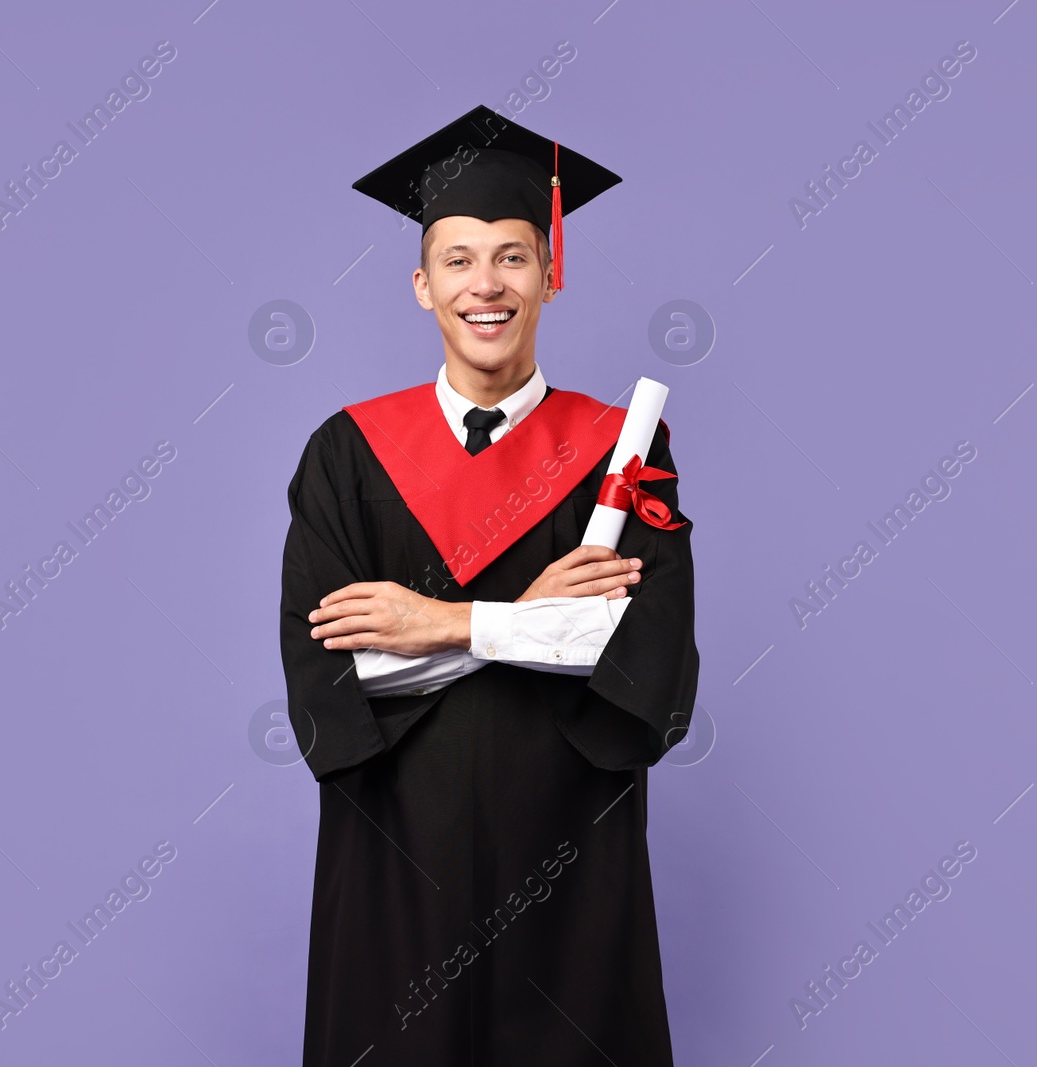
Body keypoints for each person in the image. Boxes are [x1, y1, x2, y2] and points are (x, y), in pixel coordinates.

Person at [279, 104, 699, 1065]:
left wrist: (438, 622)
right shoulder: (346, 454)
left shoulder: (623, 454)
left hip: (569, 863)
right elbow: (329, 679)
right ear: (421, 284)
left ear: (550, 274)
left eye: (513, 256)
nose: (487, 284)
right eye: (459, 259)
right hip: (394, 858)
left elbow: (646, 657)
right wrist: (522, 626)